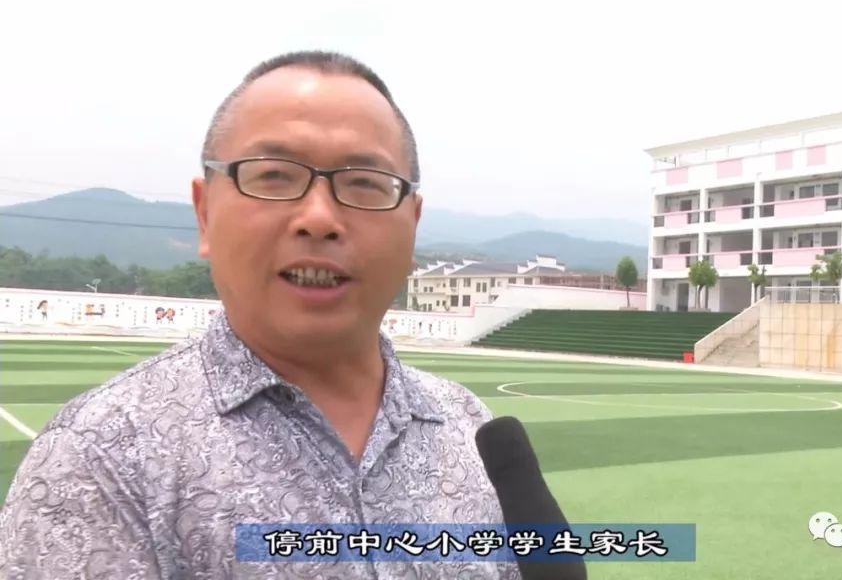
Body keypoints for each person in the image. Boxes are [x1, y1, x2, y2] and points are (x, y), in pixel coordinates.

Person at [0, 51, 520, 579]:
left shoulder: (469, 427)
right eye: (273, 175)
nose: (319, 218)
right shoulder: (102, 458)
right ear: (205, 213)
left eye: (365, 183)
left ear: (413, 223)